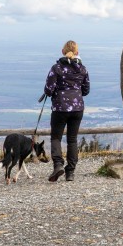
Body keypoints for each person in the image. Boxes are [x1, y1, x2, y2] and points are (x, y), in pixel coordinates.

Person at [43, 40, 90, 182]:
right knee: (72, 139)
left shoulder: (56, 68)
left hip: (60, 107)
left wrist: (55, 92)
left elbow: (48, 89)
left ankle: (58, 165)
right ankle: (70, 172)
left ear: (63, 51)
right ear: (77, 52)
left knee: (56, 137)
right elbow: (86, 90)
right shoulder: (82, 69)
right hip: (77, 108)